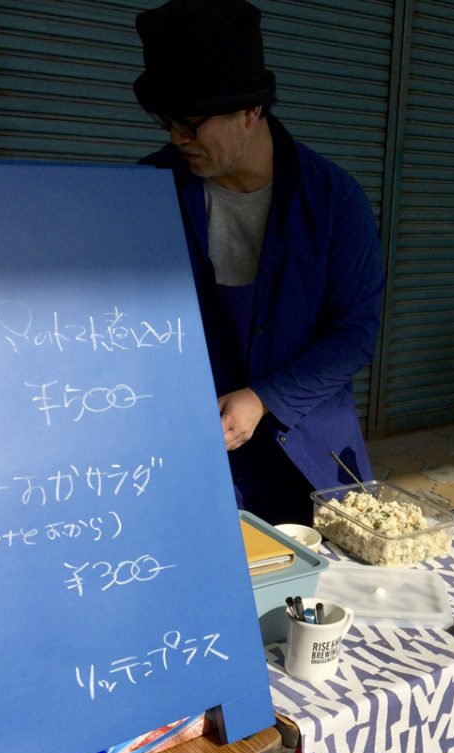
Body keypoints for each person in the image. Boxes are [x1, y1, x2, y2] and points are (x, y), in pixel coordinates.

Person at [132, 0, 384, 525]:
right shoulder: (145, 192)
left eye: (191, 122)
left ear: (251, 112)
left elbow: (356, 333)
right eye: (168, 120)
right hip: (188, 445)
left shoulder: (334, 201)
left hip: (308, 447)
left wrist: (263, 397)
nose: (176, 137)